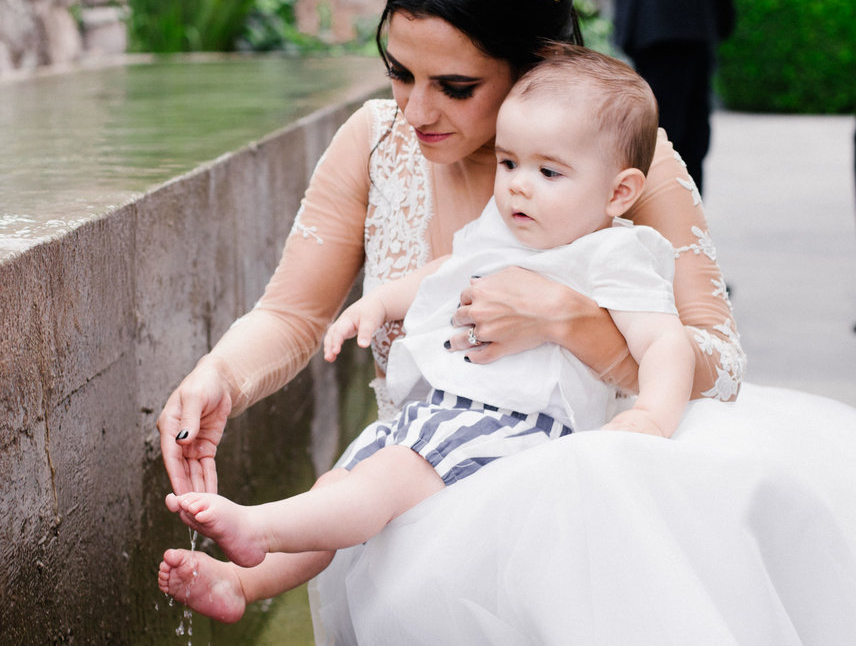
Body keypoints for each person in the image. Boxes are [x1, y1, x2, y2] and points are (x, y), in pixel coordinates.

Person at [154, 0, 856, 641]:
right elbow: (294, 314)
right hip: (418, 492)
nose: (416, 110)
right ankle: (248, 576)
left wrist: (568, 321)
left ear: (532, 65)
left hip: (589, 487)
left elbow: (718, 358)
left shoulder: (609, 154)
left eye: (455, 87)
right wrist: (220, 376)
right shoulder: (377, 142)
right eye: (398, 72)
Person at [159, 44, 695, 599]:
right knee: (338, 485)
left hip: (517, 428)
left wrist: (651, 416)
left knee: (385, 481)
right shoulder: (506, 223)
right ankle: (245, 583)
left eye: (548, 171)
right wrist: (380, 303)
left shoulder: (613, 253)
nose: (517, 184)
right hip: (435, 415)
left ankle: (260, 527)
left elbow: (666, 341)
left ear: (620, 191)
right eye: (509, 163)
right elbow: (446, 271)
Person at [613, 0, 736, 194]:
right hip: (684, 26)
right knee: (674, 137)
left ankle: (676, 215)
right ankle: (676, 215)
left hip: (663, 27)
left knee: (673, 136)